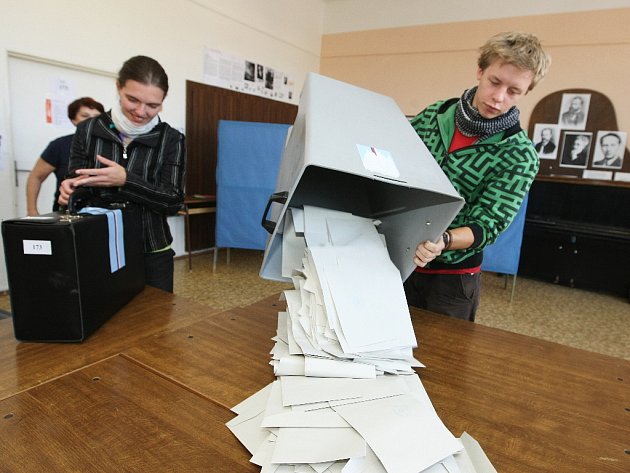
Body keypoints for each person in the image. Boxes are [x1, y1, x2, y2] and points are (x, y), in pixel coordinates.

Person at [404, 31, 551, 321]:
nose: (498, 98)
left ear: (526, 91)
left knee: (443, 360)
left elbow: (488, 224)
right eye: (494, 82)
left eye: (513, 91)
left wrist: (442, 240)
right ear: (480, 71)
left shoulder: (520, 155)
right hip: (401, 256)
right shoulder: (435, 115)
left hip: (452, 277)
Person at [59, 56, 186, 293]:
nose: (141, 112)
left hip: (152, 248)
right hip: (98, 243)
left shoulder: (171, 139)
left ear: (163, 101)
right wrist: (69, 190)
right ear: (119, 87)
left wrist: (127, 180)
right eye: (132, 100)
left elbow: (173, 201)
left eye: (152, 105)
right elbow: (76, 180)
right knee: (105, 320)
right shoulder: (88, 130)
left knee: (156, 322)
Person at [26, 97, 105, 215]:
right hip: (67, 212)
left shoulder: (112, 146)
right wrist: (32, 210)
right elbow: (36, 177)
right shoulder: (59, 145)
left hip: (104, 212)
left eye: (96, 117)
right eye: (85, 116)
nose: (91, 121)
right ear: (73, 120)